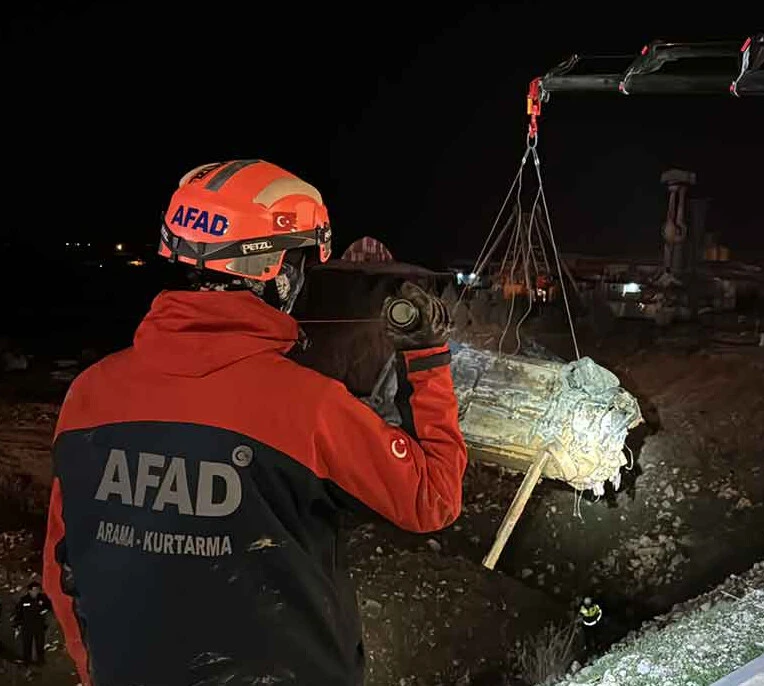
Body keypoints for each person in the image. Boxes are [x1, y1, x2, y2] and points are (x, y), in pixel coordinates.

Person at [43, 160, 467, 686]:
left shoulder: (88, 396)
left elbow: (63, 569)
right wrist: (426, 359)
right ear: (276, 269)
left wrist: (94, 672)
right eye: (303, 263)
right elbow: (433, 497)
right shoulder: (308, 407)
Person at [11, 581, 52, 665]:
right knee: (27, 644)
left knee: (40, 644)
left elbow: (49, 608)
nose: (36, 591)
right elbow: (19, 612)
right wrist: (16, 623)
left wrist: (44, 613)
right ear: (29, 591)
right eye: (34, 590)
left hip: (39, 625)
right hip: (27, 626)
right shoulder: (24, 600)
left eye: (37, 590)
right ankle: (27, 661)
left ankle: (40, 661)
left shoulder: (43, 598)